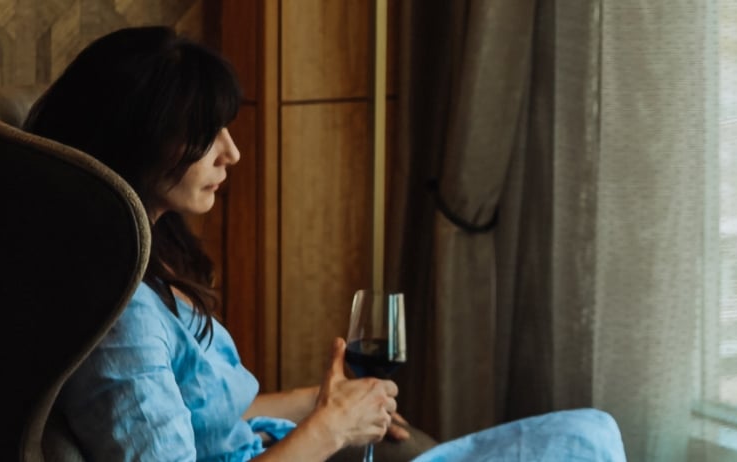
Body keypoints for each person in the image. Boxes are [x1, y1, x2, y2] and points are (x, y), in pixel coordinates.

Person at [31, 26, 626, 462]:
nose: (231, 153)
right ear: (135, 142)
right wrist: (332, 426)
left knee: (587, 434)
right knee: (586, 441)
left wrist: (319, 400)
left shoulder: (145, 261)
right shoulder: (122, 320)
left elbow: (202, 414)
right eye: (205, 134)